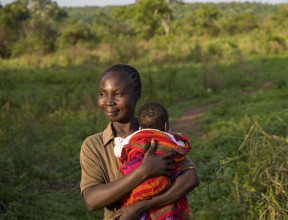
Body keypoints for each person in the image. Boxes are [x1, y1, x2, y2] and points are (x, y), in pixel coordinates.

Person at [79, 64, 199, 220]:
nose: (108, 101)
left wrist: (141, 206)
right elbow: (91, 200)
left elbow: (190, 178)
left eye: (118, 94)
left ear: (137, 94)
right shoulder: (93, 145)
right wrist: (143, 172)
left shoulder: (155, 134)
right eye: (102, 94)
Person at [114, 102, 192, 219]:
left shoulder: (134, 137)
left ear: (139, 125)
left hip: (140, 185)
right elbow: (181, 147)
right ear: (165, 125)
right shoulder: (169, 138)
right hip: (166, 183)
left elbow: (119, 151)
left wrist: (118, 142)